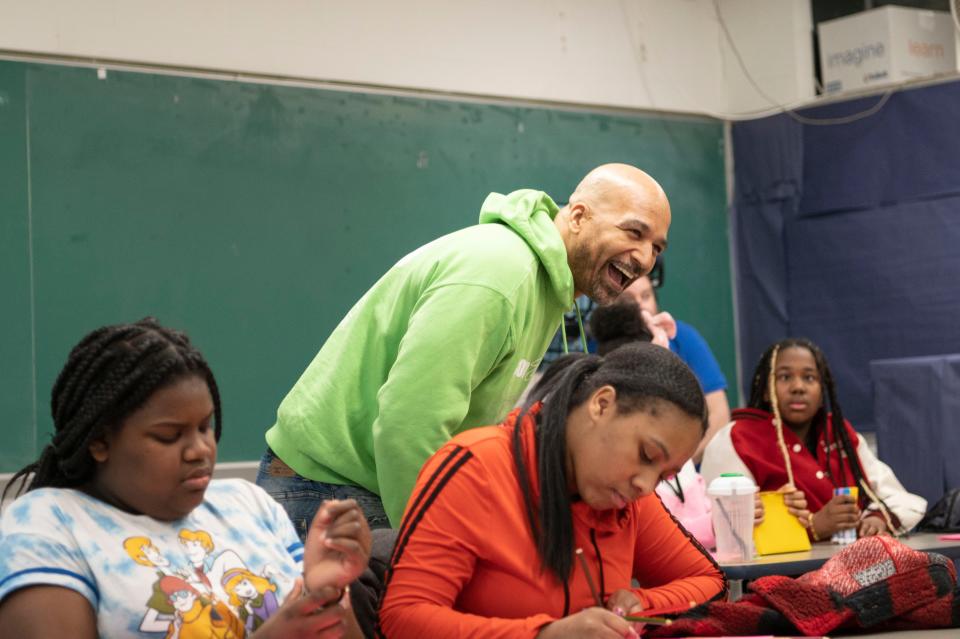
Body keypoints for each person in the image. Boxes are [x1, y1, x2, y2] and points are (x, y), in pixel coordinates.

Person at [258, 163, 672, 530]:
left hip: (373, 484)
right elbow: (408, 426)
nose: (645, 258)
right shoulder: (500, 275)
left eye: (656, 246)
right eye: (633, 232)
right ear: (578, 216)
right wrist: (441, 548)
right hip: (332, 489)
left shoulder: (547, 285)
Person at [0, 318, 371, 639]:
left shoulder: (249, 505)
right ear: (100, 441)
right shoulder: (46, 528)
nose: (199, 450)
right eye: (169, 435)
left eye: (205, 427)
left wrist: (326, 593)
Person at [378, 343, 726, 639]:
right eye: (647, 456)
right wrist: (544, 634)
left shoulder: (627, 495)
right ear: (602, 404)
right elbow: (403, 618)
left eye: (664, 476)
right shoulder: (476, 468)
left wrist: (641, 603)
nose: (646, 485)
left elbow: (709, 580)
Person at [700, 337, 927, 541]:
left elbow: (900, 498)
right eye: (785, 377)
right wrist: (814, 527)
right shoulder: (737, 438)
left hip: (855, 573)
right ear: (766, 391)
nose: (798, 387)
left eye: (809, 378)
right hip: (778, 580)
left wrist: (878, 518)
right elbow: (727, 529)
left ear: (822, 392)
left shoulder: (839, 434)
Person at [589, 300, 717, 549]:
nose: (646, 483)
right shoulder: (615, 476)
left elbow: (702, 502)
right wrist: (715, 526)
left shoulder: (676, 448)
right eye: (647, 455)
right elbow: (648, 538)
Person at [620, 271, 730, 464]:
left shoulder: (683, 337)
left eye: (646, 296)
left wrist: (678, 467)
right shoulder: (598, 346)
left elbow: (719, 414)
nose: (640, 305)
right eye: (629, 298)